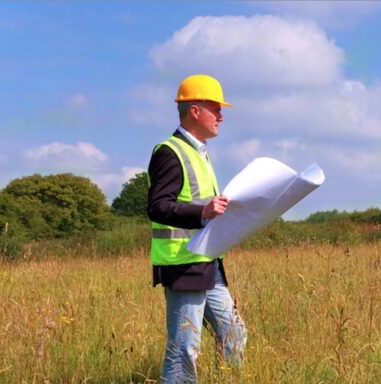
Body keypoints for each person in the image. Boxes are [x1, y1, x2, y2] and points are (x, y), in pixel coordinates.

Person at [147, 74, 246, 382]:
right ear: (194, 111)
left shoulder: (200, 152)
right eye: (215, 107)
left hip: (207, 263)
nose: (221, 115)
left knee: (234, 335)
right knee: (184, 347)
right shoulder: (169, 151)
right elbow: (158, 206)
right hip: (182, 264)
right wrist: (202, 211)